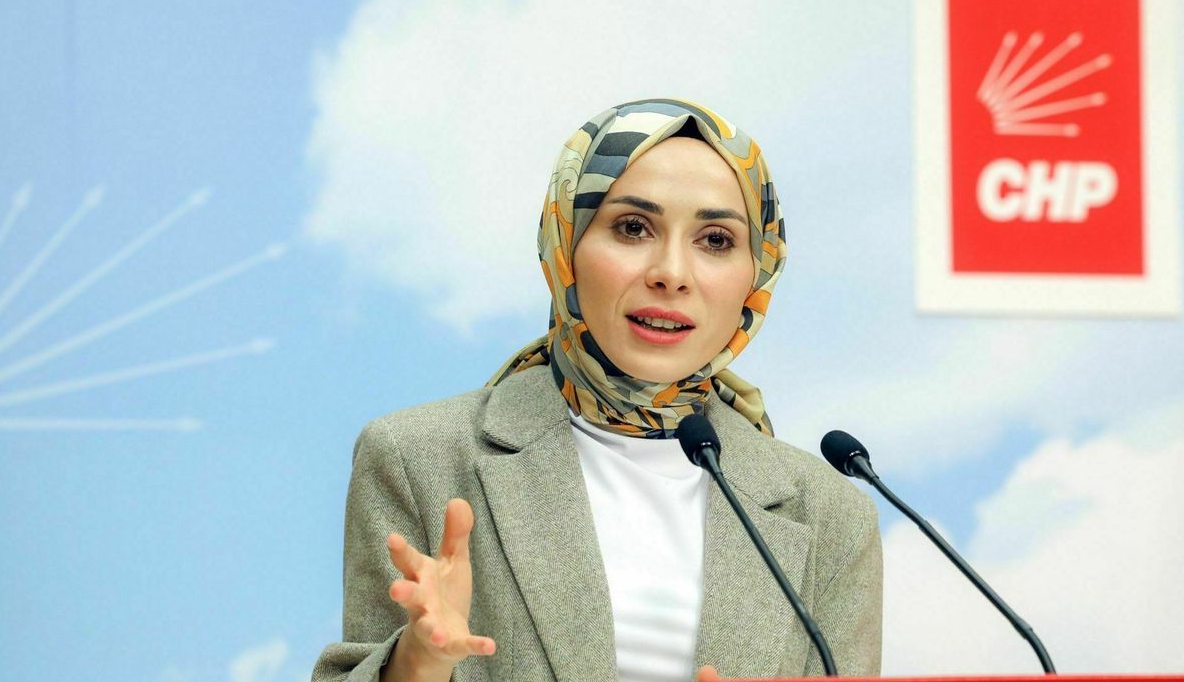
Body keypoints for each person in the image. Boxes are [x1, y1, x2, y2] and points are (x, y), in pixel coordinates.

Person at [311, 98, 882, 682]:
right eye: (633, 228)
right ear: (565, 243)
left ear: (757, 272)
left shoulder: (830, 517)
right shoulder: (417, 459)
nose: (671, 273)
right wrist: (418, 662)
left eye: (715, 240)